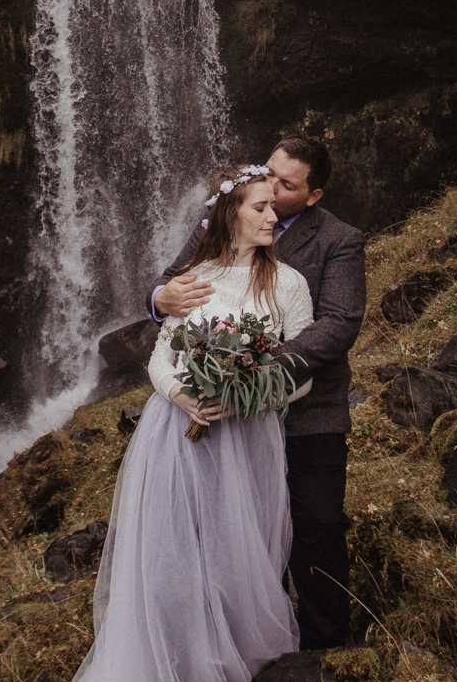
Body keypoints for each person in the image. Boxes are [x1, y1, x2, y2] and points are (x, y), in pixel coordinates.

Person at [3, 163, 313, 682]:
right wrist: (184, 398)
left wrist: (250, 392)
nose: (271, 216)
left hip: (250, 438)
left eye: (273, 207)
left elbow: (305, 371)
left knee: (242, 557)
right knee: (174, 566)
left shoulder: (289, 285)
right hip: (179, 438)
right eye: (258, 207)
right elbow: (161, 356)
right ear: (230, 214)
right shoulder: (192, 281)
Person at [147, 136, 365, 649]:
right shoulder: (220, 221)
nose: (270, 188)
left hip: (307, 412)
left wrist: (249, 378)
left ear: (312, 196)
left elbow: (337, 324)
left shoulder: (338, 240)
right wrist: (161, 298)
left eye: (285, 186)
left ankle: (324, 650)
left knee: (315, 526)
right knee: (228, 533)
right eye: (268, 173)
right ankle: (237, 643)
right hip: (223, 426)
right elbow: (174, 286)